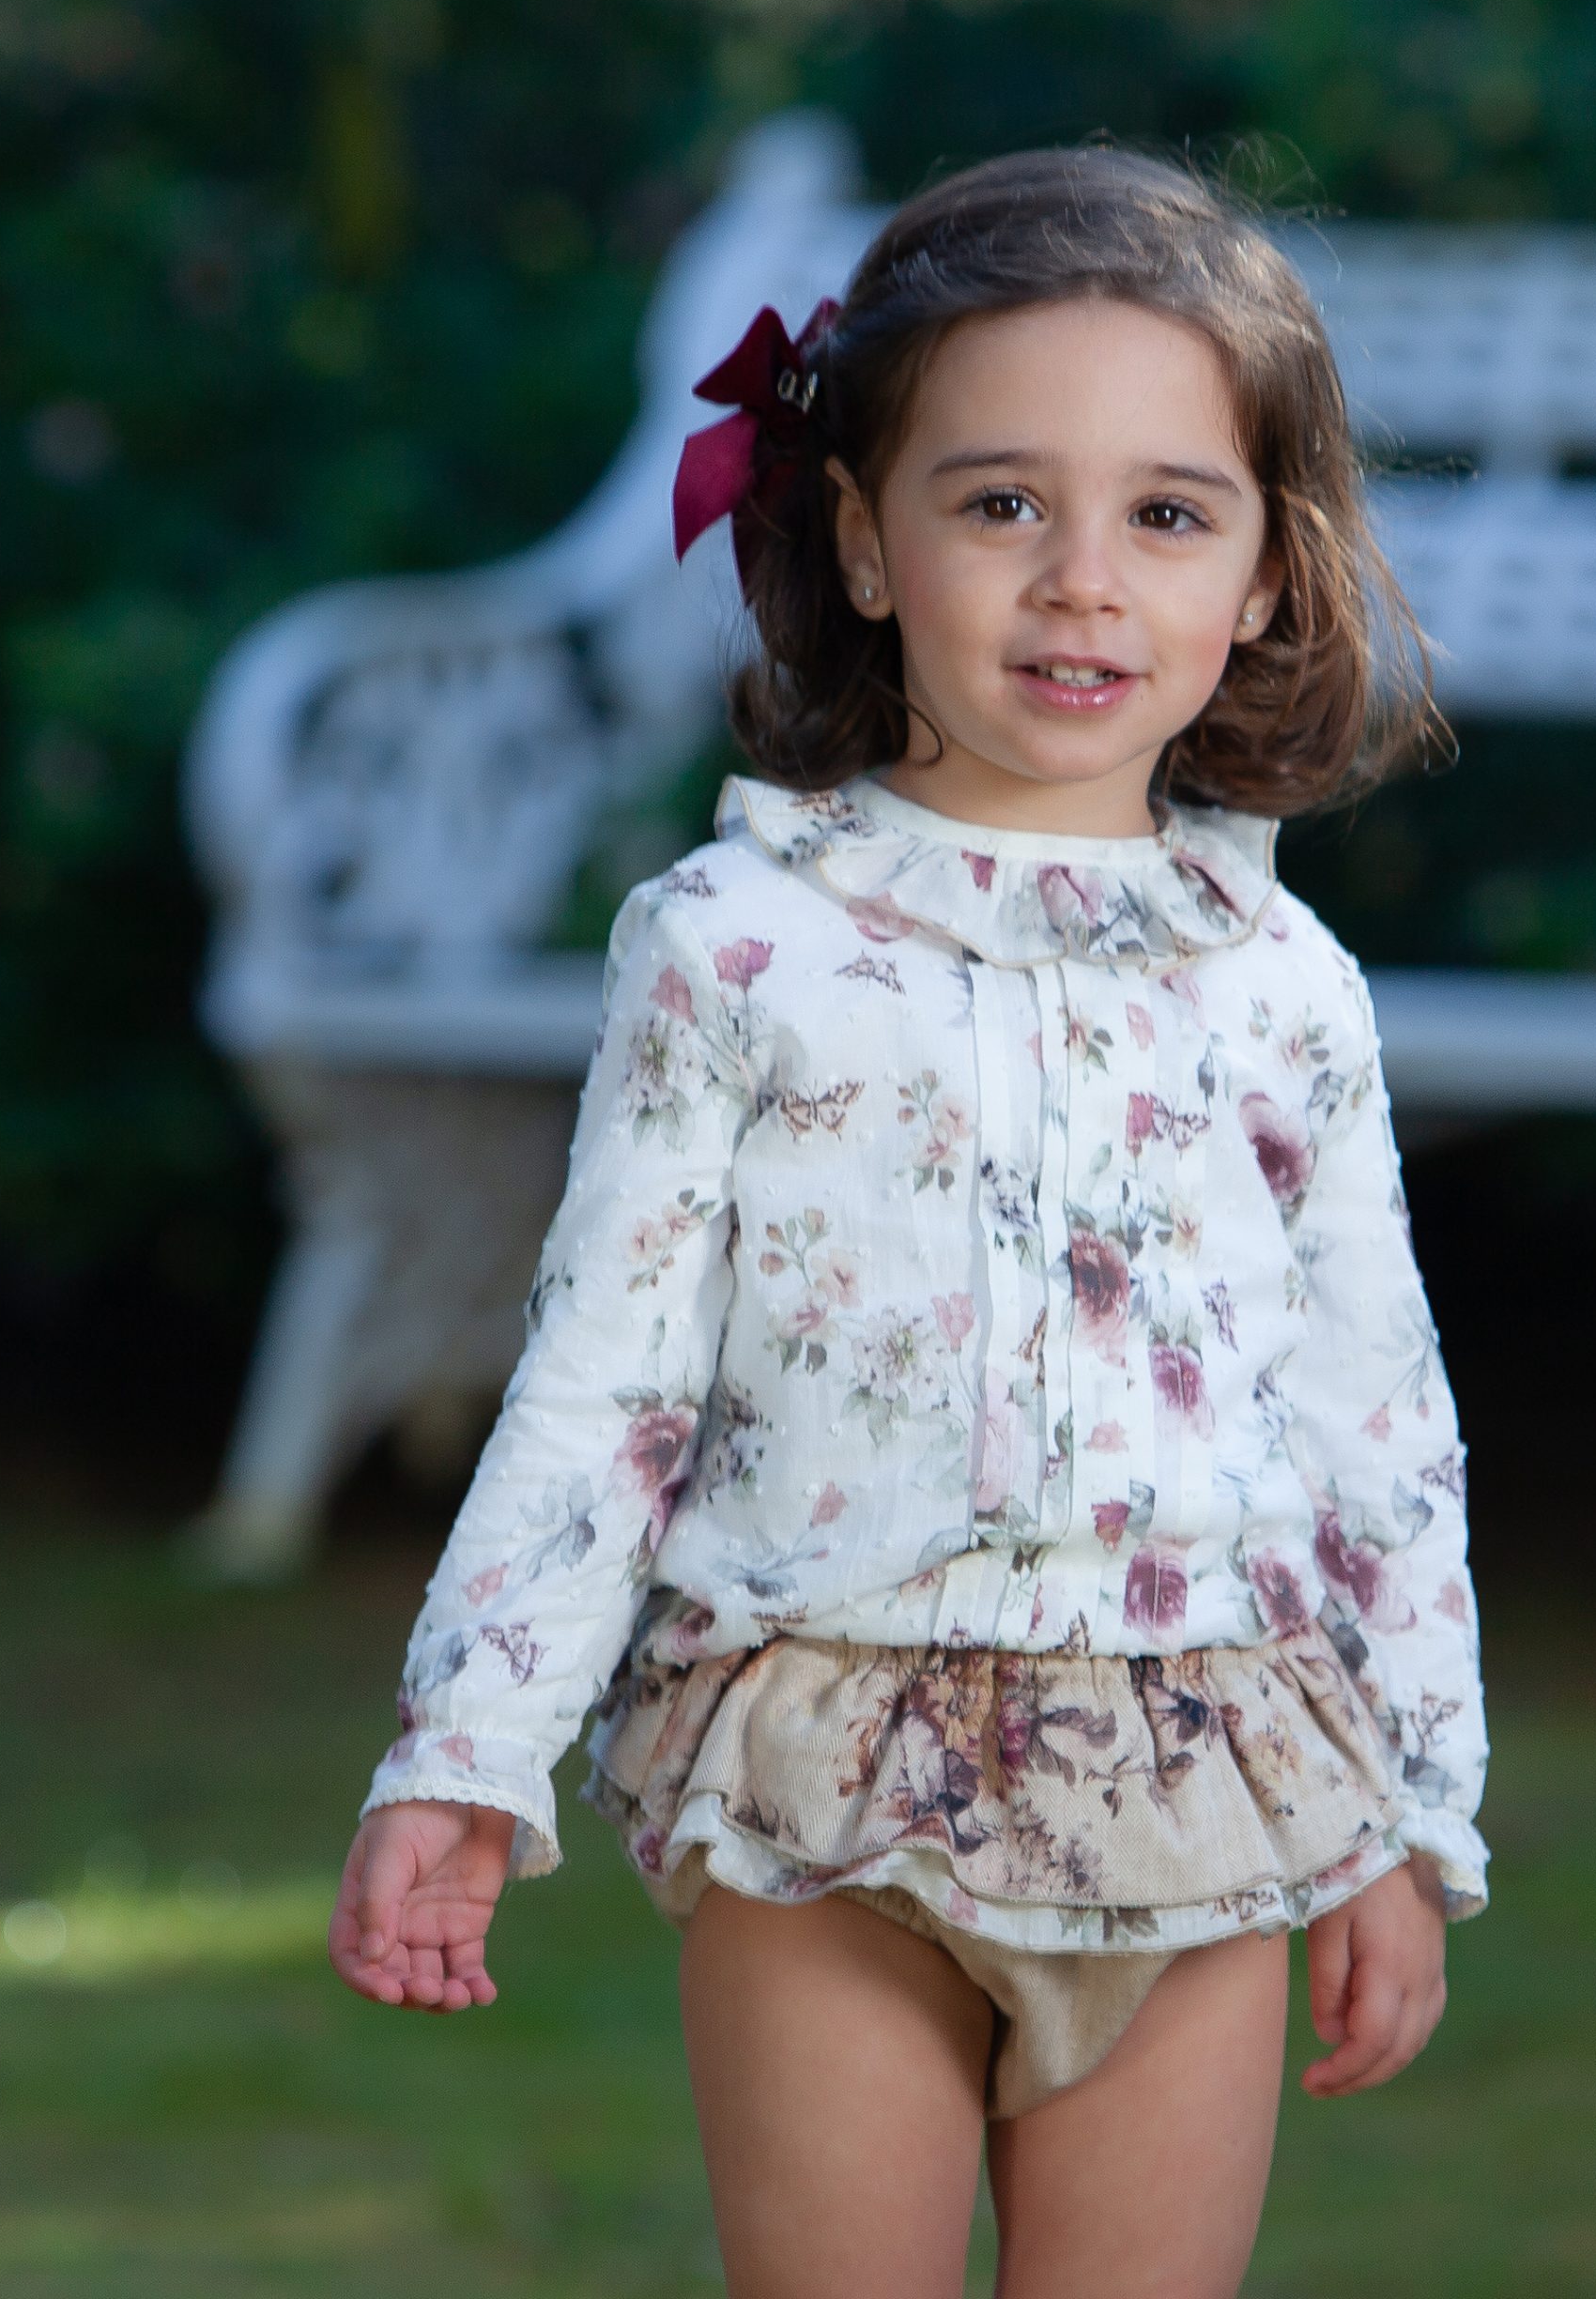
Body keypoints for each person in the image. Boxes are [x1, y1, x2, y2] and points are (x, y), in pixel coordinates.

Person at [329, 144, 1488, 2299]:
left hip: (1201, 1776)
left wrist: (1413, 1812)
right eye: (1000, 502)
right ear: (864, 538)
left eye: (1167, 513)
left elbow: (1376, 1419)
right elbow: (605, 1388)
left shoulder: (1280, 987)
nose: (1081, 581)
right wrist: (466, 1746)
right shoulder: (733, 946)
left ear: (1265, 569)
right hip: (826, 1772)